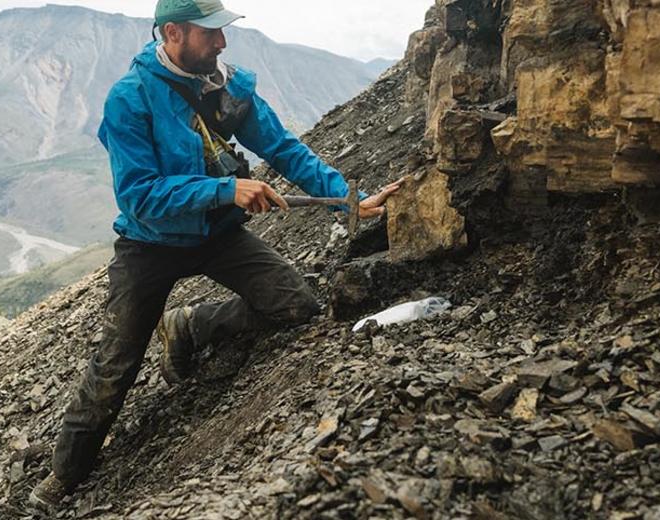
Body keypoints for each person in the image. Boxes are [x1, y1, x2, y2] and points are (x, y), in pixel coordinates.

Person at [29, 0, 399, 507]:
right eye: (211, 34)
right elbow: (140, 196)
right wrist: (225, 190)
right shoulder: (130, 100)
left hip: (219, 234)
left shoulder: (224, 86)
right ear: (174, 33)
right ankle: (63, 478)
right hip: (149, 245)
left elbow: (283, 149)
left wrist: (350, 200)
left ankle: (192, 326)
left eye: (222, 32)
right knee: (116, 365)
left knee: (297, 306)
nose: (222, 43)